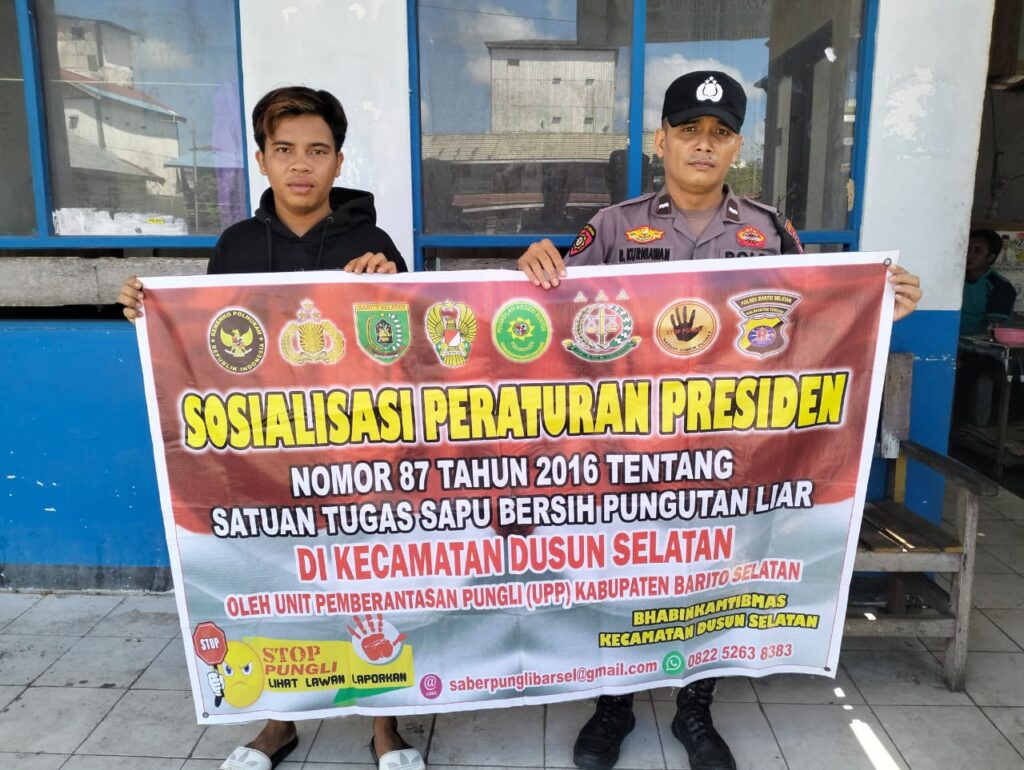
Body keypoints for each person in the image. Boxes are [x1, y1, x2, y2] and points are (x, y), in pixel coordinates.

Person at [518, 70, 922, 770]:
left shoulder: (769, 231)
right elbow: (555, 321)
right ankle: (613, 704)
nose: (703, 145)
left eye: (720, 133)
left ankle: (695, 709)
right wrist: (533, 266)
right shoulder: (612, 227)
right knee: (621, 573)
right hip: (630, 451)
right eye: (688, 131)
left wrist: (881, 307)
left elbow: (816, 323)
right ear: (662, 141)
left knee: (715, 576)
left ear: (738, 146)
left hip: (733, 456)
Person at [118, 87, 424, 770]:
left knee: (369, 590)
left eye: (317, 150)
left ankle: (385, 727)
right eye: (284, 149)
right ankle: (278, 724)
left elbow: (407, 349)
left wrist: (389, 283)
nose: (300, 165)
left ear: (338, 161)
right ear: (261, 159)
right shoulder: (236, 246)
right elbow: (202, 345)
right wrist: (152, 311)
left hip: (355, 456)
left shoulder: (371, 243)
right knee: (275, 590)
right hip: (262, 460)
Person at [960, 227, 1016, 335]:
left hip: (983, 343)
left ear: (990, 258)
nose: (969, 255)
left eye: (977, 251)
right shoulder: (954, 280)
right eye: (967, 249)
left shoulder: (1001, 287)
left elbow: (992, 329)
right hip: (951, 339)